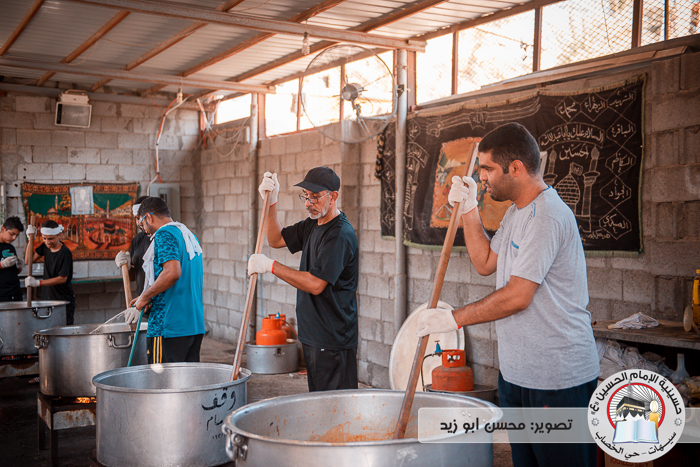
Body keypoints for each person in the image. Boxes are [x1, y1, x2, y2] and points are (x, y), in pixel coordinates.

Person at [416, 123, 599, 467]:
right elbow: (485, 262)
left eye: (487, 168)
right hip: (517, 374)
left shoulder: (546, 215)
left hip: (555, 379)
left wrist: (453, 319)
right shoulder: (517, 212)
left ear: (516, 167)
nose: (482, 176)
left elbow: (518, 296)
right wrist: (469, 207)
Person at [248, 167, 359, 392]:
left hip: (332, 338)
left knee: (334, 405)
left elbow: (315, 284)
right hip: (313, 335)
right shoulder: (312, 224)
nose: (308, 203)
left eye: (315, 197)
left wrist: (271, 266)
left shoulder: (339, 234)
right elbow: (275, 239)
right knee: (318, 401)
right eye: (306, 196)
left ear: (333, 196)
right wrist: (272, 202)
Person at [123, 197, 205, 364]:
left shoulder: (164, 234)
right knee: (186, 379)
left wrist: (144, 297)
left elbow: (172, 273)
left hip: (169, 327)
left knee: (162, 379)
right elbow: (180, 282)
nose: (143, 229)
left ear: (149, 217)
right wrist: (148, 297)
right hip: (193, 325)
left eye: (141, 223)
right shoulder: (188, 235)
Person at [25, 220, 75, 325]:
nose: (47, 242)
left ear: (59, 235)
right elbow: (28, 260)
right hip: (47, 298)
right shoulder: (45, 247)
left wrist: (38, 283)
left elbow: (62, 278)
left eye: (51, 239)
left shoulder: (65, 252)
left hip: (62, 300)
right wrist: (30, 240)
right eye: (44, 238)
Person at [115, 196, 152, 296]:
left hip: (159, 301)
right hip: (143, 299)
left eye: (139, 218)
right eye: (136, 219)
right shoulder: (137, 240)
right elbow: (133, 277)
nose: (139, 223)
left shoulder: (162, 239)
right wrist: (127, 266)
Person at [0, 216, 25, 302]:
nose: (14, 238)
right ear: (3, 229)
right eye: (12, 234)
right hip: (2, 294)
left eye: (16, 235)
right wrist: (2, 264)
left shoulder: (10, 247)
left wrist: (19, 266)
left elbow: (14, 272)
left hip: (15, 292)